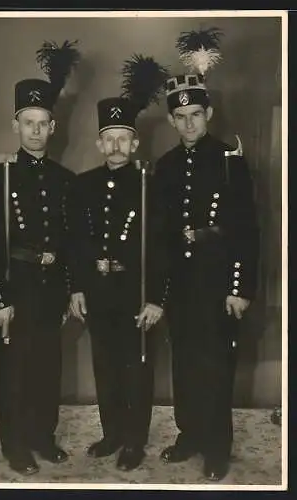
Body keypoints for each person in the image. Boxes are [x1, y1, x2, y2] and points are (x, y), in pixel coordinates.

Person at [154, 73, 260, 481]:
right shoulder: (166, 166)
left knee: (216, 366)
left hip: (218, 285)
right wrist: (160, 292)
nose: (189, 124)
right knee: (184, 364)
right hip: (182, 284)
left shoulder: (230, 159)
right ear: (171, 120)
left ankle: (217, 447)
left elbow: (247, 229)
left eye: (196, 114)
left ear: (209, 113)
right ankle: (191, 435)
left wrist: (240, 288)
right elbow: (162, 236)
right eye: (180, 117)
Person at [0, 78, 76, 475]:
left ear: (53, 127)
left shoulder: (64, 179)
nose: (35, 130)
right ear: (16, 125)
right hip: (14, 287)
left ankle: (42, 438)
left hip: (49, 289)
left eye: (42, 123)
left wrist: (68, 291)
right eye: (28, 122)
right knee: (13, 370)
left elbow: (67, 242)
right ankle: (16, 446)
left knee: (47, 368)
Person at [69, 83, 169, 469]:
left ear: (134, 143)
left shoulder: (150, 185)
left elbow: (162, 247)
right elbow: (77, 243)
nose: (115, 147)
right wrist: (76, 287)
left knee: (137, 369)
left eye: (122, 139)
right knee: (105, 366)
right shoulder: (83, 186)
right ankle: (111, 433)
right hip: (98, 289)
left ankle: (133, 441)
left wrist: (157, 297)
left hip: (135, 291)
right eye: (108, 139)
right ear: (99, 144)